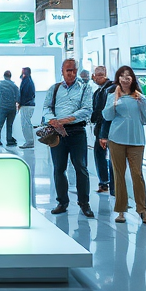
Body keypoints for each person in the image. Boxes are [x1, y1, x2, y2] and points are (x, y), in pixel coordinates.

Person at [44, 58, 95, 218]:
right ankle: (62, 202)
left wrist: (64, 120)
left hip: (77, 131)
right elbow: (46, 108)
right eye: (68, 70)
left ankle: (84, 203)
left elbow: (87, 110)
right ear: (62, 70)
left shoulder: (85, 88)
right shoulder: (54, 89)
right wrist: (52, 120)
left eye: (74, 70)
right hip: (56, 133)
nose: (71, 73)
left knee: (81, 167)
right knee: (59, 168)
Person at [103, 65, 146, 225]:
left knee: (137, 175)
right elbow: (107, 116)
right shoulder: (113, 95)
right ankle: (121, 210)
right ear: (118, 78)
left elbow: (145, 119)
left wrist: (143, 103)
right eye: (122, 76)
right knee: (118, 174)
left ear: (133, 79)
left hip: (136, 140)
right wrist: (114, 103)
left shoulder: (139, 96)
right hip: (117, 139)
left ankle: (142, 209)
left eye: (128, 76)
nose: (125, 78)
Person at [90, 66, 114, 193]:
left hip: (108, 128)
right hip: (101, 128)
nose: (97, 77)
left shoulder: (110, 89)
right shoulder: (99, 91)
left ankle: (109, 184)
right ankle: (104, 183)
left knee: (108, 155)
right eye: (96, 75)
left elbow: (102, 111)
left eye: (101, 74)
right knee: (100, 154)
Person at [0, 70, 20, 146]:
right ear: (10, 76)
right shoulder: (14, 86)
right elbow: (18, 98)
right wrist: (18, 106)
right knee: (9, 125)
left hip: (1, 107)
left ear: (4, 76)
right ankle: (9, 140)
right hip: (11, 108)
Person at [17, 67, 36, 149]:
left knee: (26, 124)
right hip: (28, 105)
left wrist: (20, 103)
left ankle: (29, 142)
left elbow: (24, 94)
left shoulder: (26, 81)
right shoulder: (28, 80)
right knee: (26, 123)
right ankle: (29, 141)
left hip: (26, 105)